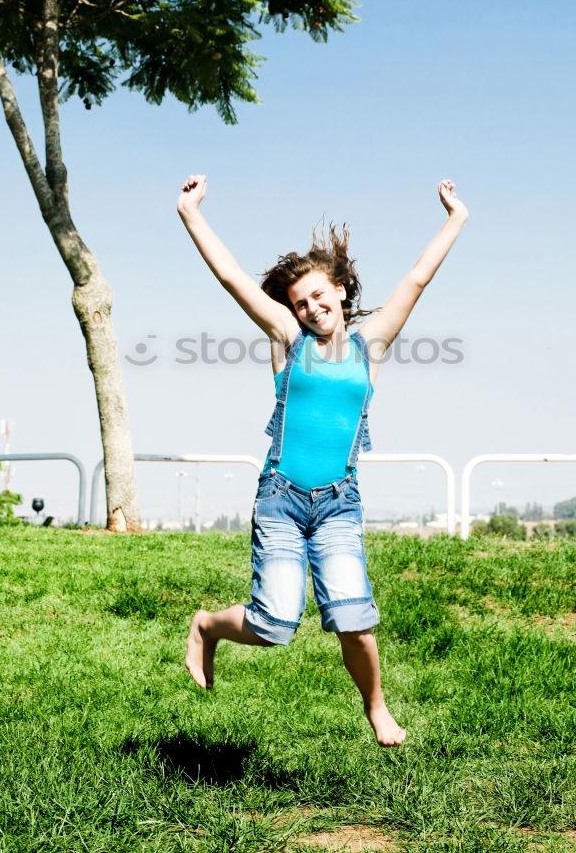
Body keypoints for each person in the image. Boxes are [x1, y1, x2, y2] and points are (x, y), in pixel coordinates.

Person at [178, 175, 468, 746]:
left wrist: (455, 217)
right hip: (281, 499)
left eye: (319, 296)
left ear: (339, 290)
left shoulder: (371, 346)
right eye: (300, 302)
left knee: (354, 618)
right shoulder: (288, 339)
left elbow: (417, 278)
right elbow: (231, 276)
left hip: (338, 503)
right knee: (274, 624)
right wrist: (190, 212)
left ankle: (377, 708)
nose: (310, 308)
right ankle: (207, 626)